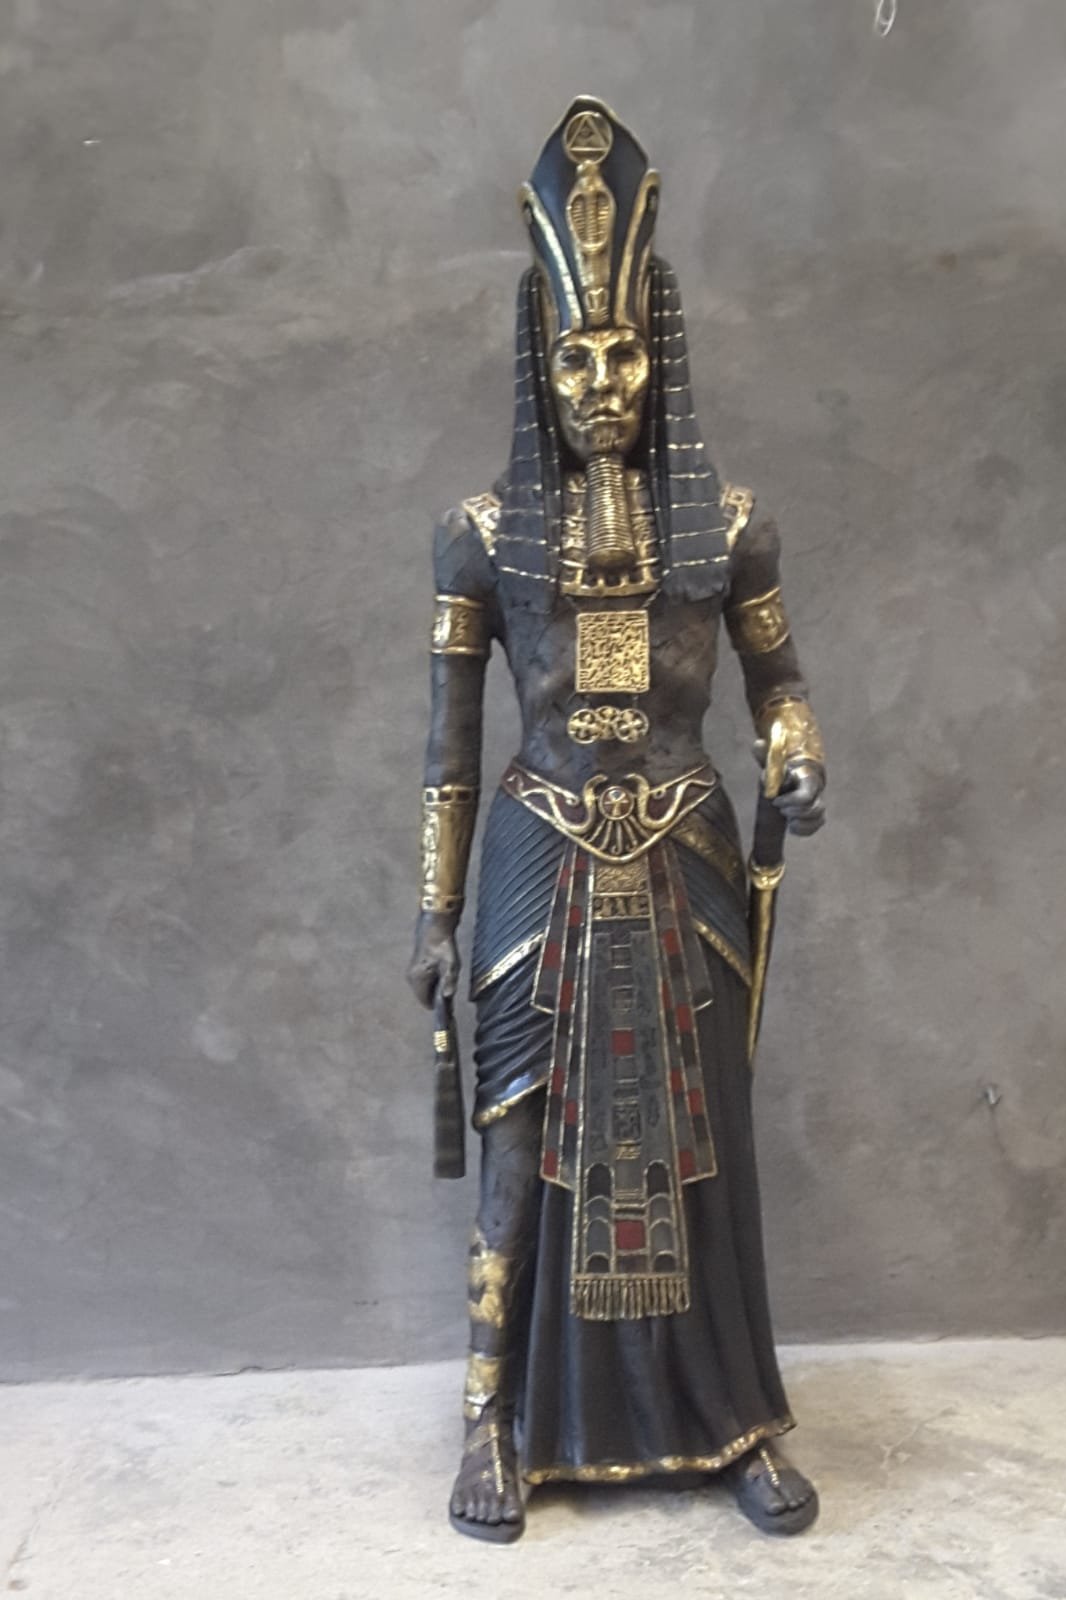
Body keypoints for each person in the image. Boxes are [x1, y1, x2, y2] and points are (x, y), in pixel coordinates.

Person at [408, 97, 827, 1544]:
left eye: (627, 351)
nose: (604, 382)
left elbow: (781, 687)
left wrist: (797, 752)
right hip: (540, 847)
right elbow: (449, 750)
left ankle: (733, 1417)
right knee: (524, 1135)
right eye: (578, 354)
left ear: (666, 355)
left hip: (686, 853)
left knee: (703, 1143)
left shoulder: (731, 525)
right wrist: (432, 911)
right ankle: (492, 1419)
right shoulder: (479, 535)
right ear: (542, 358)